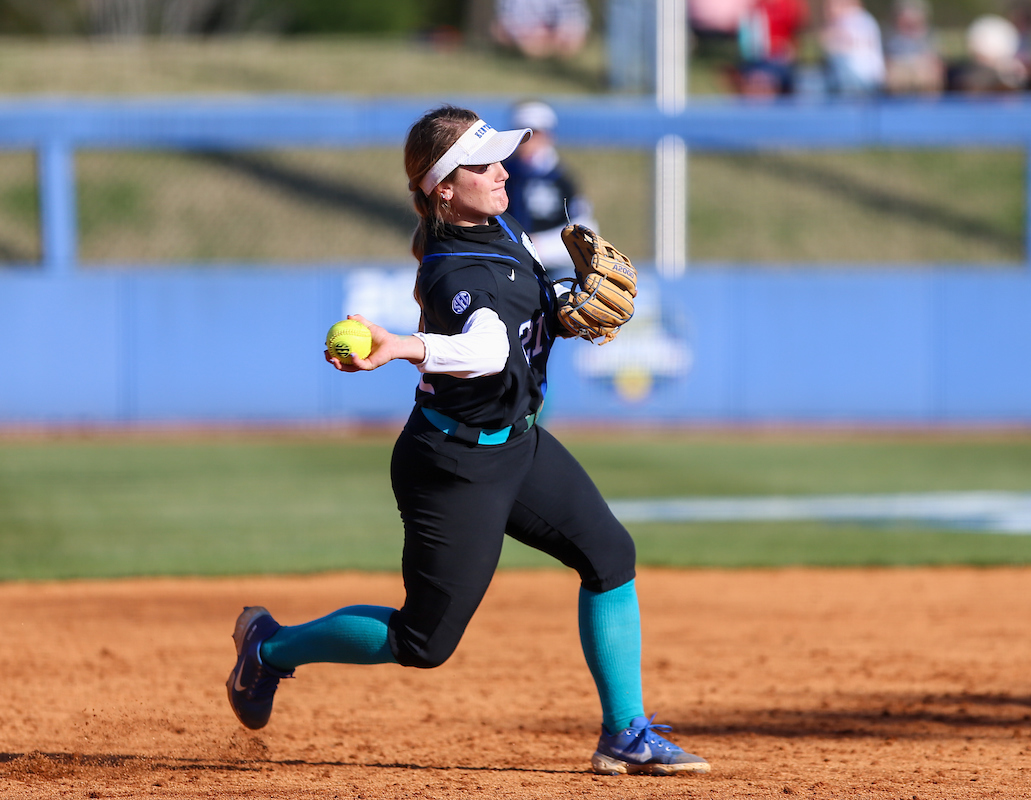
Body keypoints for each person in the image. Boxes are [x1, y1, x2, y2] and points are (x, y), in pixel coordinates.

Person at [224, 104, 710, 778]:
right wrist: (402, 345)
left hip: (519, 443)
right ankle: (270, 647)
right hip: (454, 465)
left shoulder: (493, 226)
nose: (502, 170)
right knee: (422, 642)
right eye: (482, 164)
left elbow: (509, 330)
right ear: (443, 187)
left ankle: (626, 733)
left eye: (499, 157)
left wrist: (559, 316)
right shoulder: (457, 270)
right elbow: (482, 349)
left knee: (609, 554)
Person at [501, 100, 598, 282]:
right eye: (522, 133)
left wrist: (538, 247)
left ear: (548, 135)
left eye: (534, 133)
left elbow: (584, 228)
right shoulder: (503, 174)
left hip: (554, 271)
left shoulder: (562, 180)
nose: (528, 141)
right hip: (509, 266)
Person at [734, 0, 808, 97]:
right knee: (755, 80)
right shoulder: (755, 7)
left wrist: (788, 50)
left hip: (778, 59)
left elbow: (796, 33)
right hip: (755, 59)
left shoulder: (788, 5)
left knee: (765, 80)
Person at [819, 0, 886, 97]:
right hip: (865, 79)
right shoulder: (861, 18)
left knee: (837, 60)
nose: (828, 10)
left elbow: (831, 45)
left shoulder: (854, 18)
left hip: (863, 80)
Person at [492, 0, 592, 60]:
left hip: (554, 37)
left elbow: (575, 22)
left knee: (572, 42)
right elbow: (506, 22)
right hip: (526, 35)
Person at [883, 0, 944, 96]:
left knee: (926, 75)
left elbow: (937, 62)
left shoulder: (930, 37)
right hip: (899, 72)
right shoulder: (890, 38)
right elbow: (886, 62)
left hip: (922, 72)